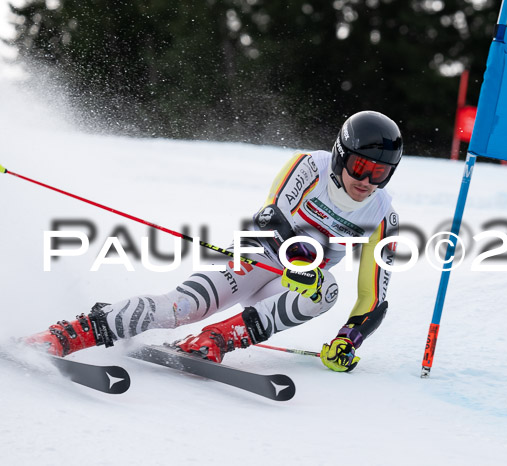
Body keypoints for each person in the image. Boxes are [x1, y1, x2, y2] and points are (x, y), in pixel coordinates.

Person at [24, 111, 402, 372]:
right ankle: (71, 332)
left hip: (292, 288)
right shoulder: (310, 166)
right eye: (360, 167)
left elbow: (374, 296)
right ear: (341, 155)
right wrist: (300, 261)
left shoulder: (383, 215)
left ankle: (217, 340)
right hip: (257, 258)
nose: (367, 181)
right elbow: (270, 216)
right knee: (182, 307)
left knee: (327, 290)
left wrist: (348, 340)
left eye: (380, 173)